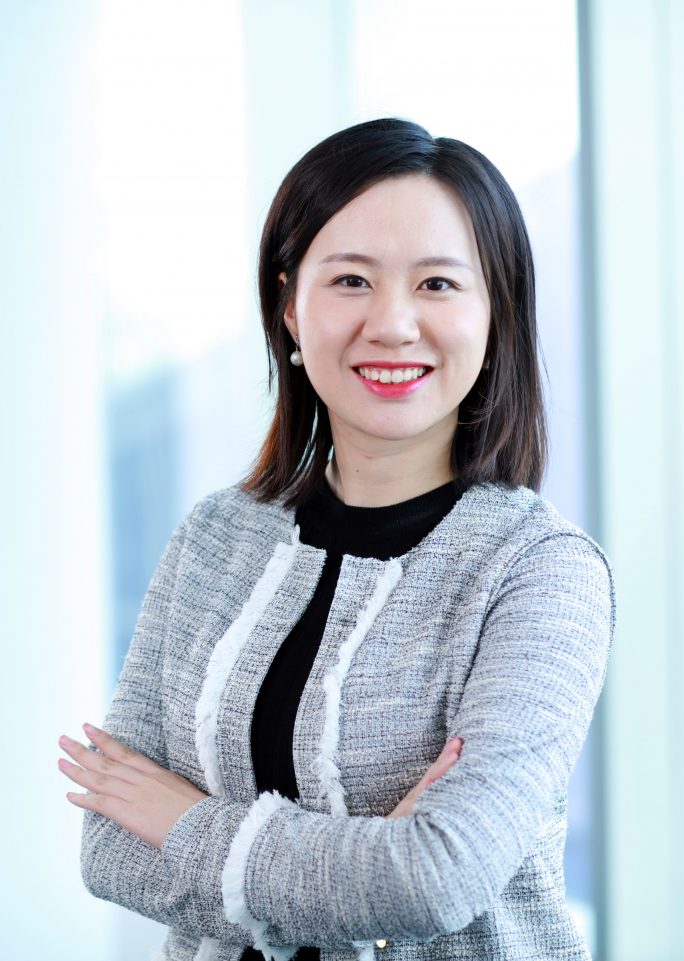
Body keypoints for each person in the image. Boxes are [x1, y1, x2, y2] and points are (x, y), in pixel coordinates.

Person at [58, 117, 616, 961]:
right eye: (351, 279)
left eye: (437, 284)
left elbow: (436, 879)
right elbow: (109, 847)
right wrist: (367, 877)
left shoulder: (541, 572)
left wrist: (184, 819)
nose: (392, 324)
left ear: (495, 312)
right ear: (289, 306)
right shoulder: (214, 540)